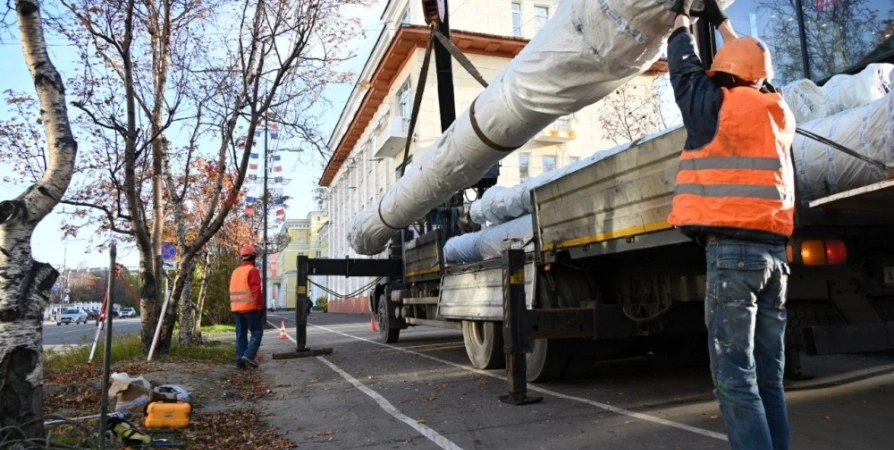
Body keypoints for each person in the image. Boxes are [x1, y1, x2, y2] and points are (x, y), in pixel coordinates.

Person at [665, 1, 796, 449]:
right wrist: (721, 22)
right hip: (776, 260)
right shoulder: (779, 112)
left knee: (735, 382)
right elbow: (755, 73)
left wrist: (680, 14)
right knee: (768, 381)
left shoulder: (712, 105)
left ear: (722, 72)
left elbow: (683, 69)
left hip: (733, 256)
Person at [230, 244, 264, 369]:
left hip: (236, 308)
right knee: (257, 332)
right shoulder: (252, 271)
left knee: (241, 334)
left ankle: (240, 361)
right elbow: (256, 290)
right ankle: (249, 356)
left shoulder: (236, 271)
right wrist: (260, 307)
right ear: (254, 257)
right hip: (250, 308)